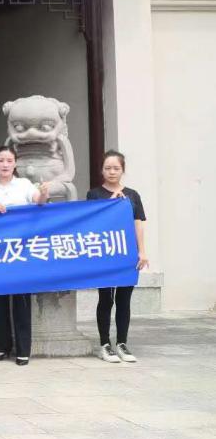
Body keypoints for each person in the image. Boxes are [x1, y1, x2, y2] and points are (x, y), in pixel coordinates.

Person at [0, 145, 50, 366]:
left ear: (15, 163)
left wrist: (44, 193)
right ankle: (2, 346)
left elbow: (38, 201)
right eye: (1, 160)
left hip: (20, 250)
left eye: (9, 160)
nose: (5, 164)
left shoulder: (24, 184)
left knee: (21, 301)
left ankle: (23, 349)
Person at [88, 150, 148, 364]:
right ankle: (105, 344)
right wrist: (111, 204)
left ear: (123, 170)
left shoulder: (133, 195)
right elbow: (93, 223)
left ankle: (122, 343)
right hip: (104, 253)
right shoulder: (94, 194)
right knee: (106, 298)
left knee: (124, 299)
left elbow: (138, 224)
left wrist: (142, 251)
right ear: (102, 170)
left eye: (116, 168)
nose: (112, 172)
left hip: (127, 253)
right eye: (108, 168)